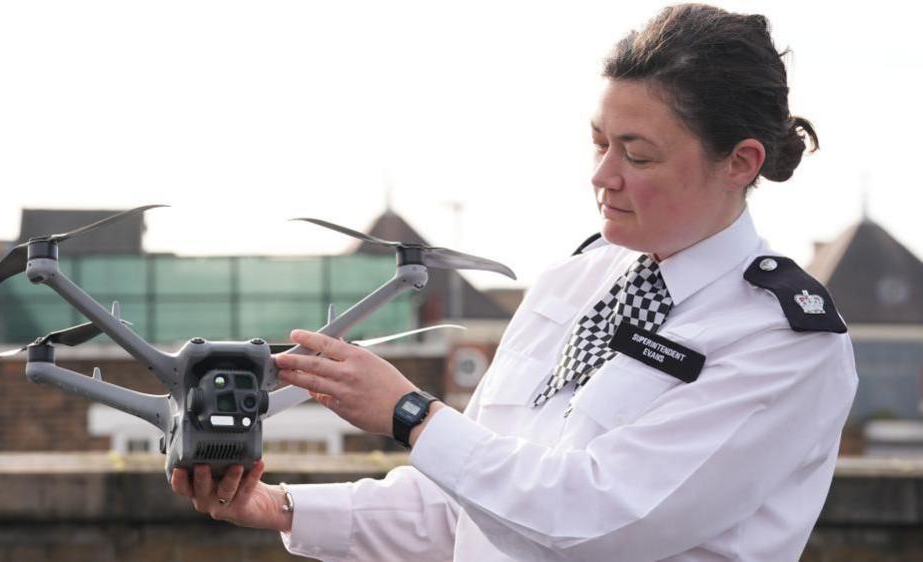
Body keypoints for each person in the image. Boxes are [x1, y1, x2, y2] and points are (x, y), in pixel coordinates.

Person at [170, 4, 858, 561]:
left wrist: (410, 414)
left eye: (636, 152)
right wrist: (281, 508)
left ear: (739, 162)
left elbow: (597, 523)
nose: (601, 176)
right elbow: (472, 501)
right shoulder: (572, 282)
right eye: (599, 142)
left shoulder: (783, 341)